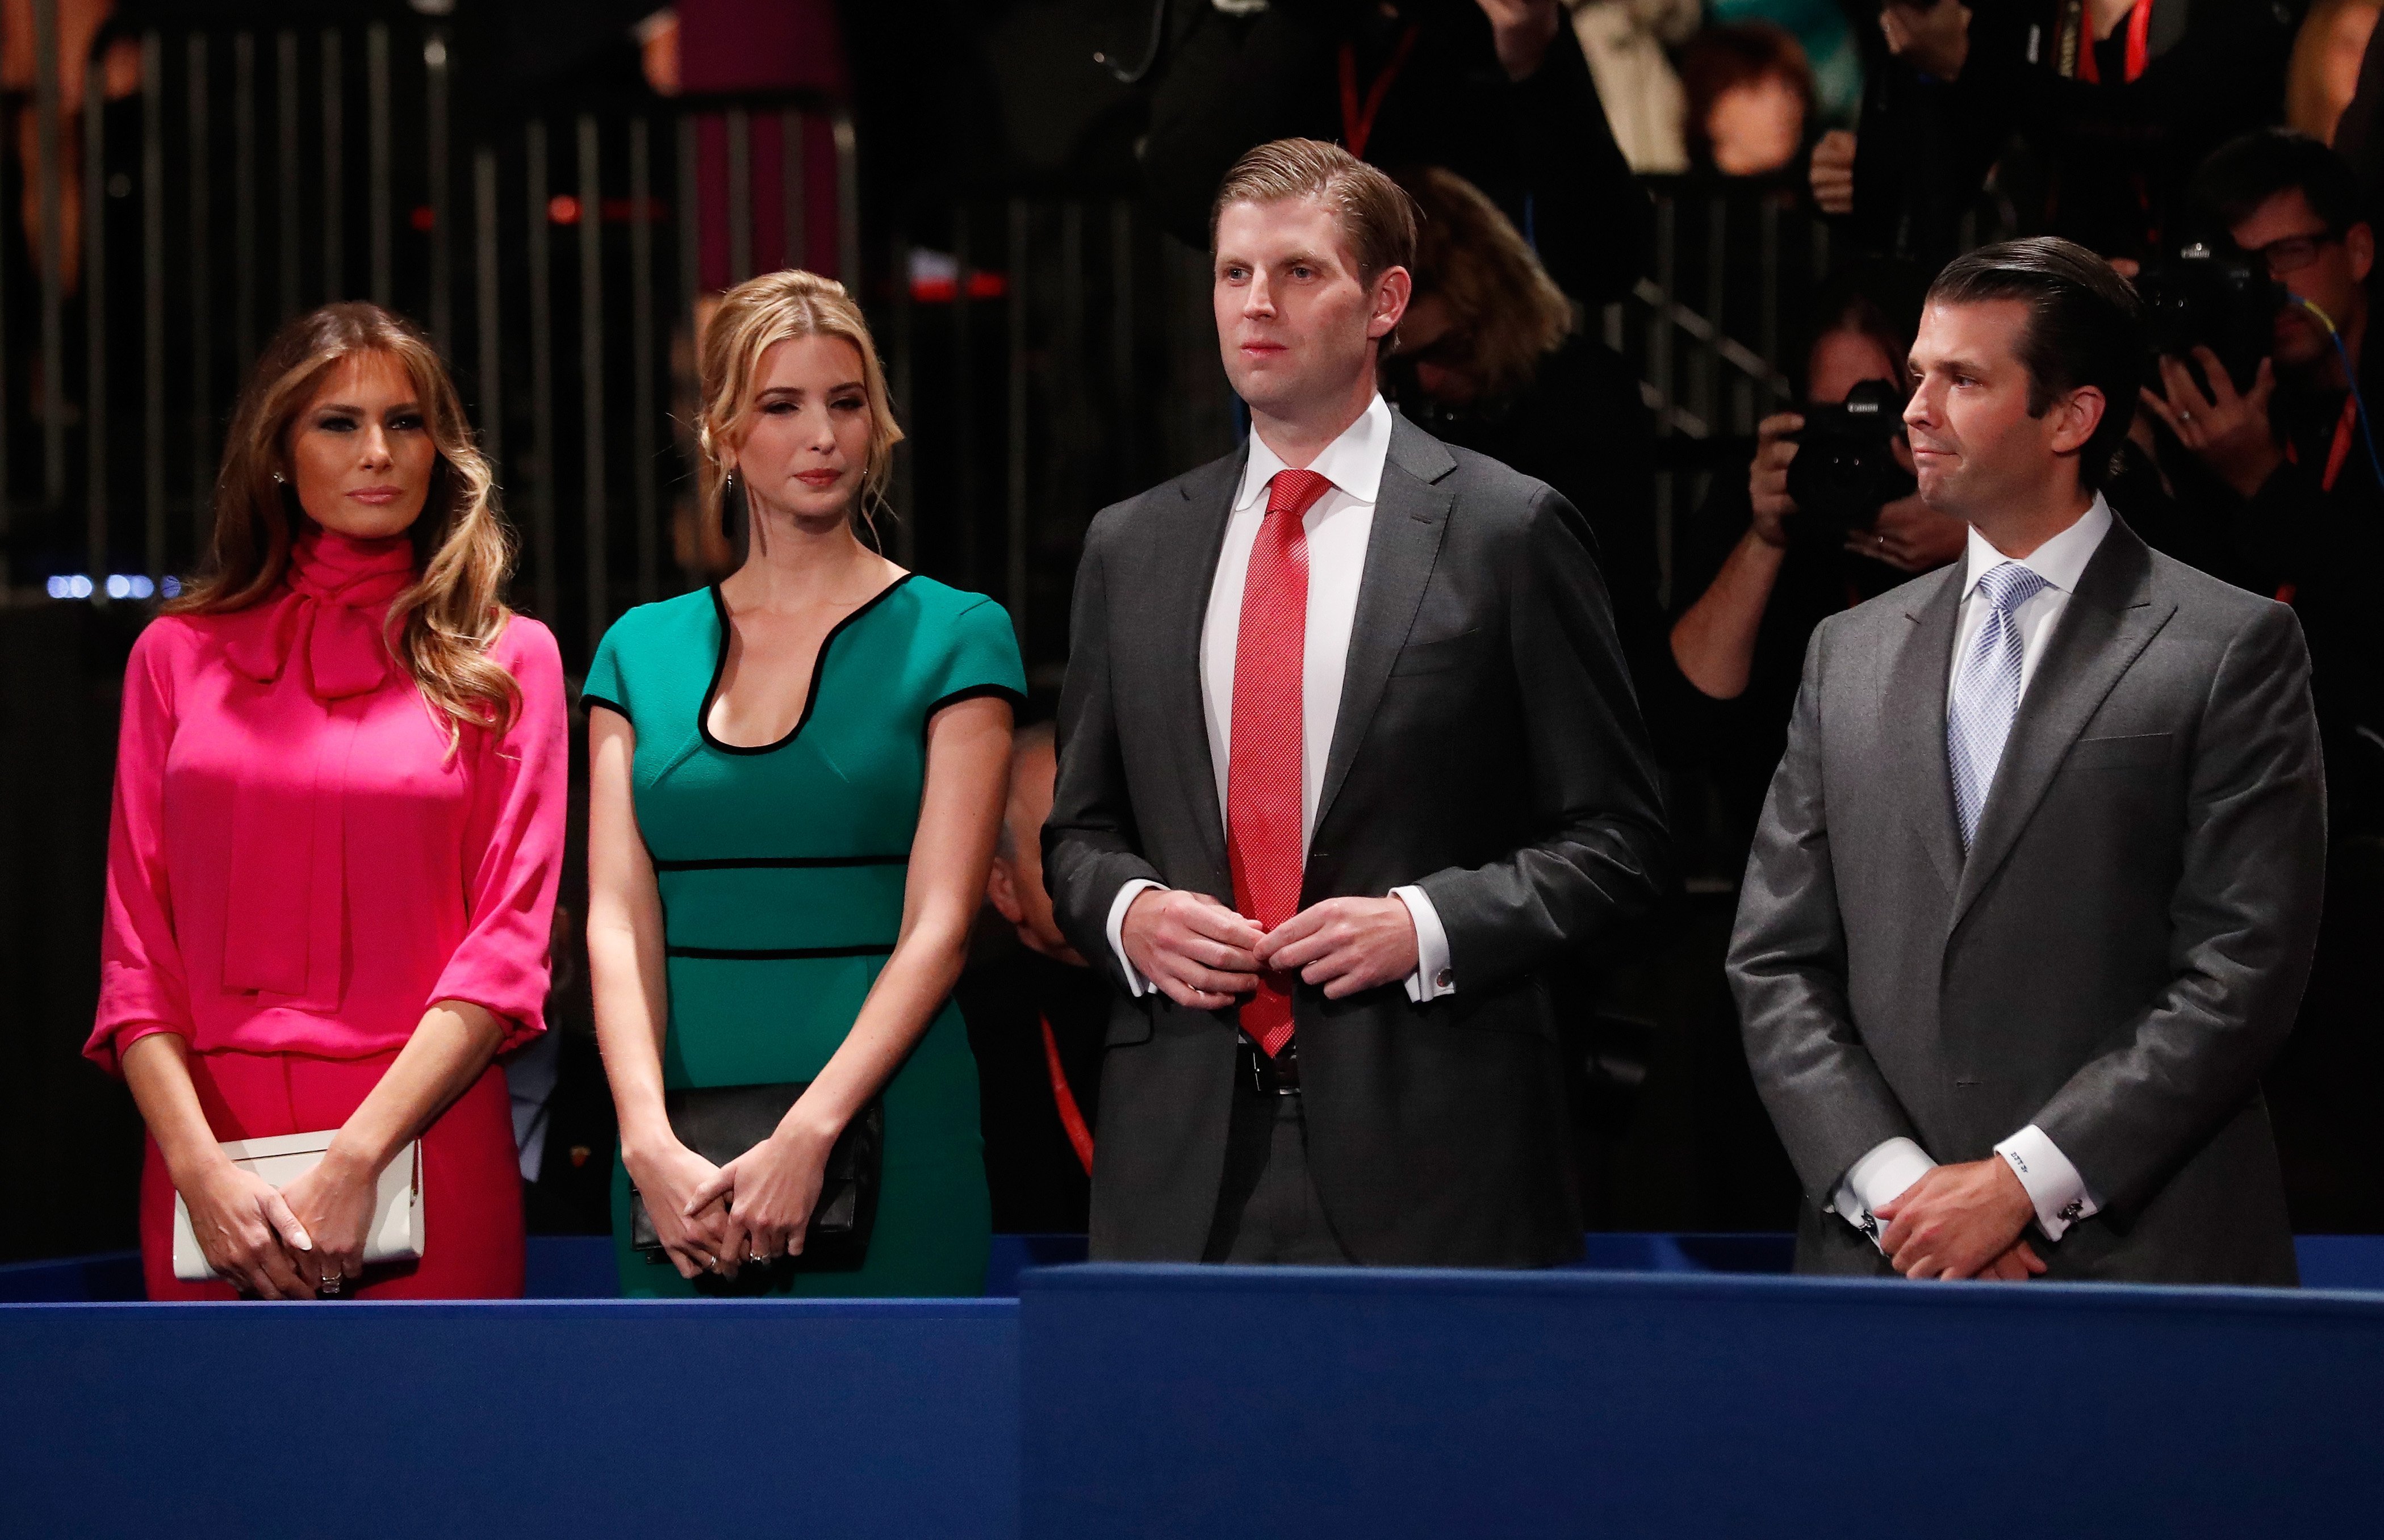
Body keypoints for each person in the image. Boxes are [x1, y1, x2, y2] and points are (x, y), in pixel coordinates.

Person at [1044, 138, 1671, 1267]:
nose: (1255, 304)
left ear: (1387, 301)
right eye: (1233, 274)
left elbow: (1620, 840)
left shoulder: (1506, 531)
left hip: (1439, 1145)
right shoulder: (1130, 547)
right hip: (1183, 1154)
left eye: (1297, 272)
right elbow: (1079, 832)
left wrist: (1425, 925)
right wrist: (1129, 912)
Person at [1731, 238, 2326, 1286]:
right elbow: (1775, 959)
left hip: (2132, 1261)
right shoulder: (1846, 652)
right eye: (1918, 372)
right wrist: (1900, 1192)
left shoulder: (2228, 645)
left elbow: (2242, 969)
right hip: (1885, 1263)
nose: (1914, 408)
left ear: (2071, 417)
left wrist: (2016, 1184)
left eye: (1961, 379)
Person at [88, 302, 568, 1302]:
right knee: (218, 1456)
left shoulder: (508, 661)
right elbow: (137, 957)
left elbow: (505, 950)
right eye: (338, 424)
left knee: (438, 1454)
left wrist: (359, 1160)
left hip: (426, 1135)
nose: (379, 453)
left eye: (405, 422)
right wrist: (199, 1170)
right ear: (277, 450)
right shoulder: (174, 657)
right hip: (209, 1154)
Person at [583, 269, 1023, 1296]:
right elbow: (613, 913)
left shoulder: (957, 634)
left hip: (887, 1115)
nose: (822, 435)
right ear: (724, 433)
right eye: (782, 406)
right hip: (676, 1144)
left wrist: (808, 1131)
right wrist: (643, 1135)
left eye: (846, 401)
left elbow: (941, 926)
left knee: (892, 1441)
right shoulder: (637, 651)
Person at [2141, 129, 2384, 1228]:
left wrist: (2261, 485)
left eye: (2288, 256)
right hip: (2249, 833)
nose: (2267, 290)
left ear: (2358, 250)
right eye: (2239, 267)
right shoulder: (2201, 390)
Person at [1668, 271, 1966, 868]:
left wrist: (1973, 536)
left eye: (1882, 413)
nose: (1858, 444)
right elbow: (1684, 728)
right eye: (1835, 417)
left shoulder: (1982, 505)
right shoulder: (1774, 496)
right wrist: (1764, 537)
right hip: (1792, 875)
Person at [1139, 0, 1650, 306]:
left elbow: (1607, 266)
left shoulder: (1493, 21)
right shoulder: (1261, 18)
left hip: (1475, 387)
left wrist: (1532, 63)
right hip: (1308, 396)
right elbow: (1184, 202)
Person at [1382, 164, 1663, 698]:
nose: (1428, 380)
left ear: (1493, 309)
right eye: (1401, 362)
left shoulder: (1585, 391)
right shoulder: (1398, 417)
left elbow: (1600, 590)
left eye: (1449, 349)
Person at [955, 722, 1110, 1234]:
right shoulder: (966, 1036)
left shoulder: (1208, 1006)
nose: (1111, 866)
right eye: (1065, 842)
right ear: (1002, 886)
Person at [1678, 22, 1814, 178]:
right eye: (1755, 91)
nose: (1782, 108)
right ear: (1710, 114)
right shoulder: (1677, 199)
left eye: (1790, 89)